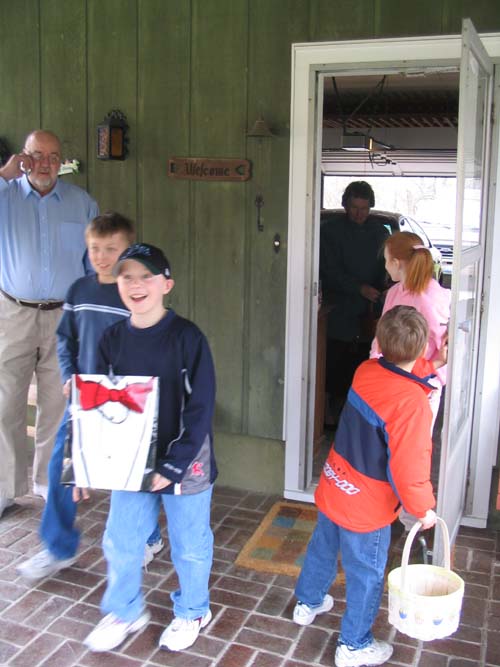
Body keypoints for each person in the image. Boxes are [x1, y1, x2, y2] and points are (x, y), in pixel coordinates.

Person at [82, 243, 217, 654]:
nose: (136, 285)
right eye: (127, 277)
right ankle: (124, 610)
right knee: (121, 539)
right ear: (116, 283)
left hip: (185, 461)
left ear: (167, 285)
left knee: (189, 543)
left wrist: (174, 465)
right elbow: (100, 404)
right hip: (130, 462)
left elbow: (201, 407)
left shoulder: (187, 338)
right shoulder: (111, 339)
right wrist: (84, 464)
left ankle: (193, 609)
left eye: (146, 277)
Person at [16, 213, 164, 580]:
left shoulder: (134, 291)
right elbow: (65, 339)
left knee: (130, 475)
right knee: (60, 470)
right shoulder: (79, 291)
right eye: (95, 248)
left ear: (127, 249)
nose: (101, 256)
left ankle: (149, 536)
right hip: (83, 400)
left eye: (111, 249)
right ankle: (58, 547)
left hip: (125, 401)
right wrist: (68, 376)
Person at [293, 305, 439, 667]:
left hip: (335, 485)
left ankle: (307, 603)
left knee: (322, 548)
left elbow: (397, 371)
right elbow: (409, 466)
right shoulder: (413, 403)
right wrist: (422, 509)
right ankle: (354, 644)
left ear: (377, 342)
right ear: (422, 350)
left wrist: (427, 367)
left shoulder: (366, 371)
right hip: (369, 506)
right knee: (366, 574)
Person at [0, 130, 99, 518]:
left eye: (52, 157)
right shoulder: (5, 195)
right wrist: (3, 175)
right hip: (13, 313)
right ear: (23, 157)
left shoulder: (81, 203)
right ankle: (7, 489)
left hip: (63, 314)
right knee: (5, 404)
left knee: (56, 404)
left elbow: (93, 265)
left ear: (62, 161)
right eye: (36, 155)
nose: (44, 164)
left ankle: (47, 484)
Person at [320, 181, 389, 423]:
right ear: (345, 206)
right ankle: (328, 415)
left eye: (364, 208)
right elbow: (327, 270)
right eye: (355, 207)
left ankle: (356, 415)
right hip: (338, 308)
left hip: (369, 312)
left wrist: (383, 289)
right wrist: (359, 288)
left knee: (362, 364)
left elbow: (387, 268)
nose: (360, 213)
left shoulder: (380, 232)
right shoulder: (329, 231)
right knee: (334, 362)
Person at [370, 231, 451, 426]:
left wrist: (433, 378)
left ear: (396, 263)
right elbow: (381, 333)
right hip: (390, 379)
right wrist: (375, 363)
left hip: (421, 385)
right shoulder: (395, 291)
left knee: (414, 444)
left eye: (386, 261)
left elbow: (443, 346)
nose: (385, 266)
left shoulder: (431, 298)